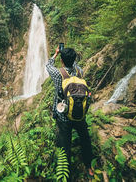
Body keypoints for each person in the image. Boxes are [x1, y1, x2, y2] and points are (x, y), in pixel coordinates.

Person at [46, 46, 94, 180]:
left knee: (65, 144)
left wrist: (55, 54)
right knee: (85, 139)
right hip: (80, 115)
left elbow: (48, 64)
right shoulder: (80, 71)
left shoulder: (57, 73)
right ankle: (89, 166)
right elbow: (74, 65)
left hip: (64, 116)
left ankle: (66, 174)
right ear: (74, 60)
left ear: (61, 60)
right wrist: (71, 59)